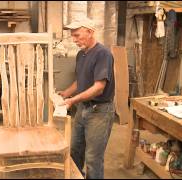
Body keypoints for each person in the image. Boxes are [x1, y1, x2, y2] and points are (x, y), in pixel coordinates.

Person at [60, 17, 115, 179]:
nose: (74, 39)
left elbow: (98, 88)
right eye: (73, 35)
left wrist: (72, 101)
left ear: (90, 32)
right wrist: (66, 93)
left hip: (99, 111)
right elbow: (81, 81)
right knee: (75, 152)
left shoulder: (103, 54)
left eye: (77, 35)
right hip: (83, 108)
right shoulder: (81, 54)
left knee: (93, 158)